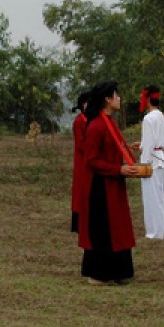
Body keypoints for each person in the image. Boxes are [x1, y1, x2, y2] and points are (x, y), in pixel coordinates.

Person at [78, 81, 138, 285]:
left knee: (119, 226)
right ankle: (99, 273)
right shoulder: (95, 125)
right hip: (100, 186)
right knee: (103, 228)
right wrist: (117, 169)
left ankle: (118, 271)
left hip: (114, 183)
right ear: (107, 99)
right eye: (116, 95)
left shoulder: (110, 122)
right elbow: (91, 159)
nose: (119, 99)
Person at [134, 85, 164, 240]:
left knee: (151, 198)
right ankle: (158, 230)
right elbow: (154, 140)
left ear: (147, 99)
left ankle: (154, 232)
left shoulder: (148, 118)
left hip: (152, 161)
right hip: (160, 155)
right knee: (159, 197)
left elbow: (149, 144)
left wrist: (143, 163)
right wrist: (142, 145)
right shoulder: (160, 115)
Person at [69, 91, 90, 233]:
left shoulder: (89, 120)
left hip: (89, 159)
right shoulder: (79, 121)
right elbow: (82, 144)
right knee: (80, 189)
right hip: (83, 161)